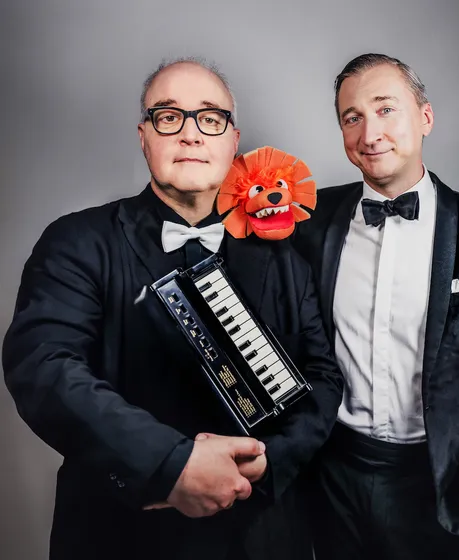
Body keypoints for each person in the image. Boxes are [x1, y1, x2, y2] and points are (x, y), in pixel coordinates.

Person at [2, 58, 343, 560]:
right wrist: (172, 465)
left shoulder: (284, 257)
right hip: (119, 535)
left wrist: (269, 462)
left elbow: (322, 377)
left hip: (264, 535)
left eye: (210, 117)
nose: (190, 134)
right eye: (168, 116)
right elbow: (44, 367)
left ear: (233, 140)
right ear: (144, 137)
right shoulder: (76, 240)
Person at [294, 53, 459, 560]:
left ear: (425, 117)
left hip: (434, 483)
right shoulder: (310, 220)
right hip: (329, 474)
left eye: (385, 109)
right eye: (352, 117)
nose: (370, 133)